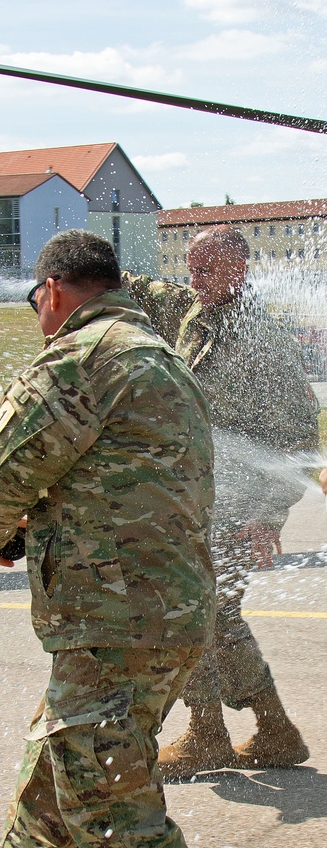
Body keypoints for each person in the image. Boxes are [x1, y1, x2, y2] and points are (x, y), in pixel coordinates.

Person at [0, 230, 282, 848]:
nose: (38, 312)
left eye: (37, 298)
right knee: (56, 766)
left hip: (111, 618)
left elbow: (3, 484)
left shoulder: (81, 358)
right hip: (164, 612)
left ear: (58, 289)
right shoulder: (158, 353)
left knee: (101, 792)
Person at [125, 227, 320, 777]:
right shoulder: (197, 310)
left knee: (202, 617)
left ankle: (213, 733)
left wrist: (269, 514)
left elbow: (300, 437)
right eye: (190, 269)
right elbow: (146, 289)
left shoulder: (261, 339)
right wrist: (85, 272)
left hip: (236, 510)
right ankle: (268, 729)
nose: (194, 280)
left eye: (206, 270)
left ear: (238, 269)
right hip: (195, 505)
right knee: (210, 616)